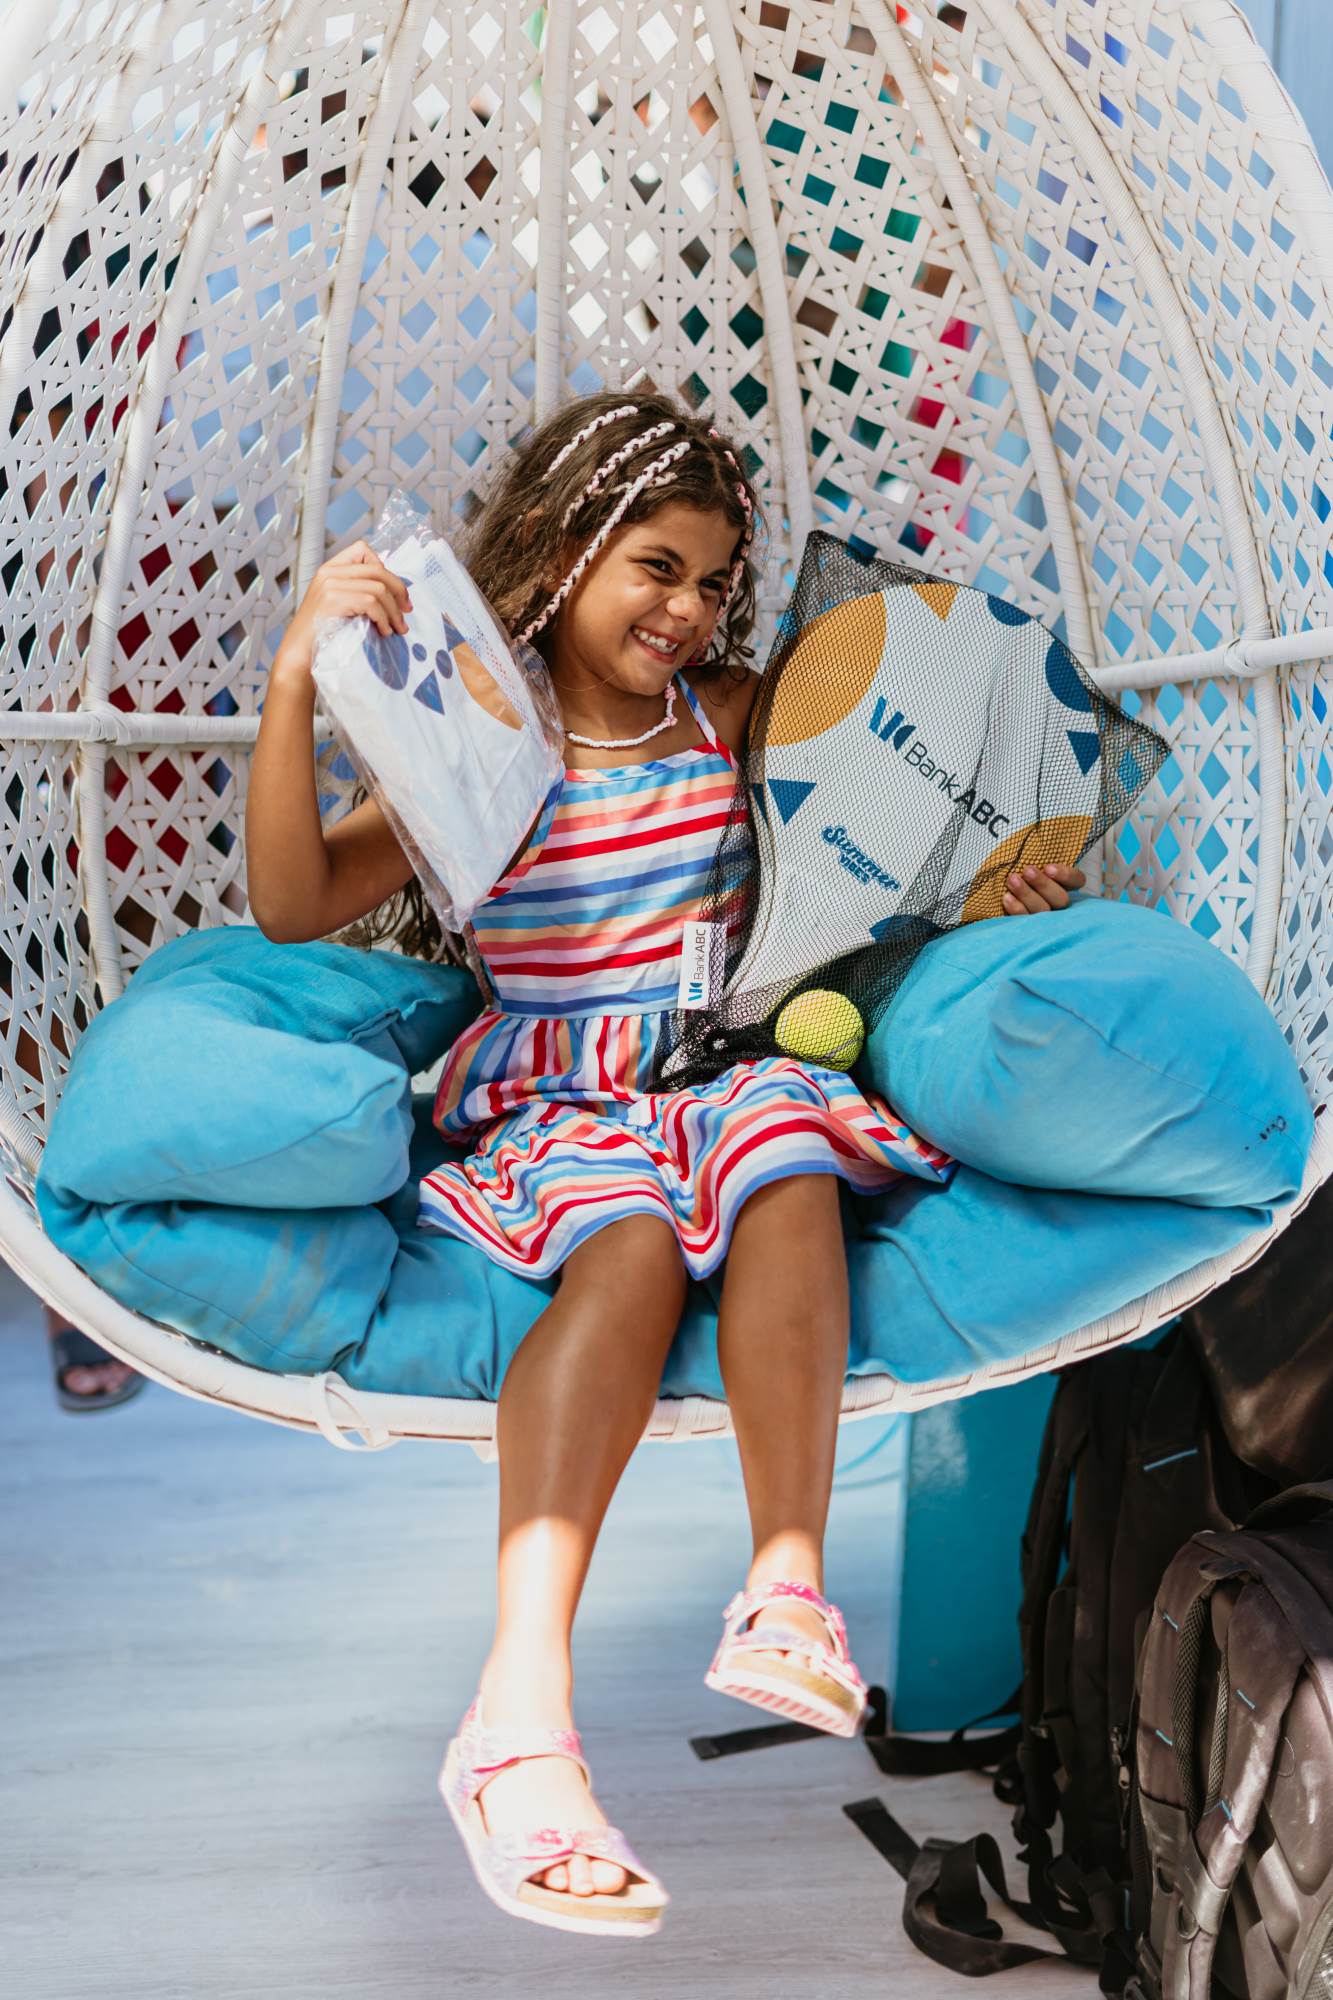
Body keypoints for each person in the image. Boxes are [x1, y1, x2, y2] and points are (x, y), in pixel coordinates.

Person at [244, 389, 1085, 1938]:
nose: (688, 608)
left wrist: (999, 886)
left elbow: (889, 854)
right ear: (564, 551)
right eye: (655, 567)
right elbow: (294, 904)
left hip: (720, 1065)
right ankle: (516, 1714)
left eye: (711, 580)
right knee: (628, 1242)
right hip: (561, 1093)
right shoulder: (477, 742)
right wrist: (300, 674)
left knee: (786, 1149)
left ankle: (785, 1587)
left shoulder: (735, 713)